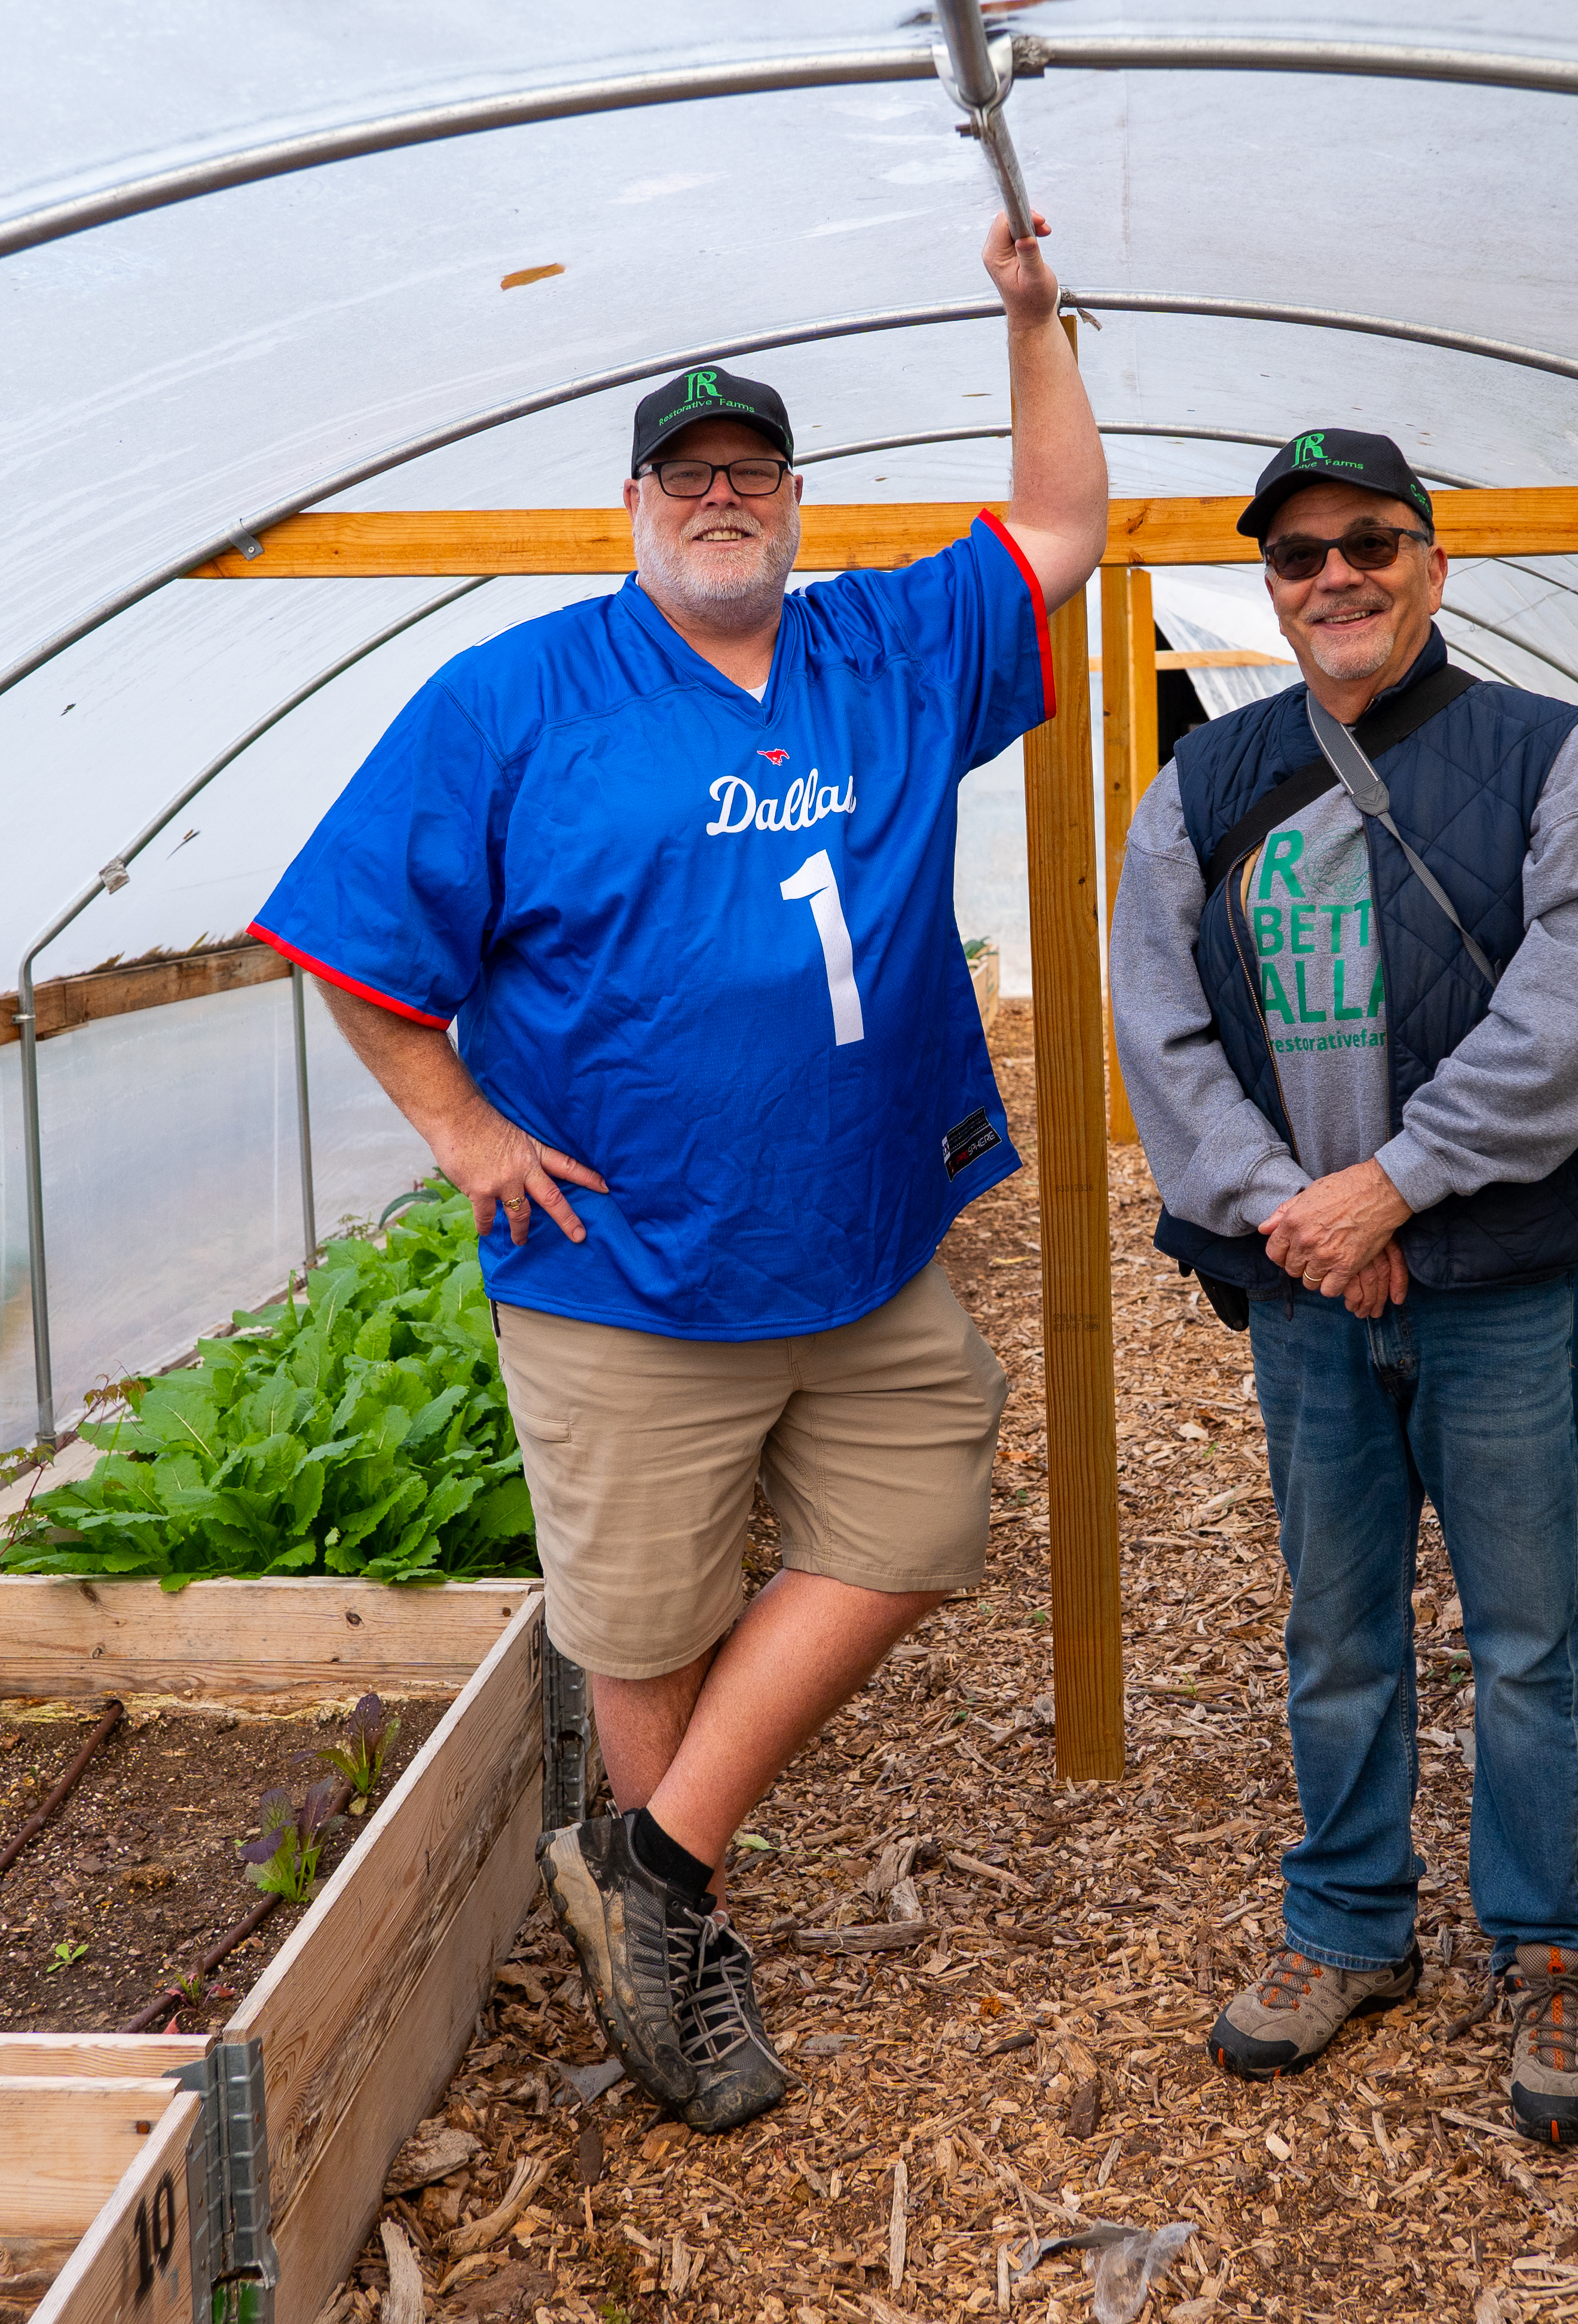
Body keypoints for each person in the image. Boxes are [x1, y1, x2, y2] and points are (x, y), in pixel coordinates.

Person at [248, 214, 1105, 2135]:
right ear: (633, 504)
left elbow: (1063, 528)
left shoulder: (889, 641)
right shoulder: (514, 699)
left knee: (915, 1517)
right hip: (625, 1268)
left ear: (797, 501)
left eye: (756, 476)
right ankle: (678, 1954)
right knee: (642, 1628)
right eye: (688, 478)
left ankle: (652, 1867)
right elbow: (348, 935)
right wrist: (461, 1126)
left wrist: (1033, 322)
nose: (724, 502)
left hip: (862, 1240)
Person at [1106, 427, 1578, 2144]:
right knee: (1337, 1632)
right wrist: (1293, 1214)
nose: (1334, 575)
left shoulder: (1539, 759)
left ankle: (1549, 1947)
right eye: (1298, 555)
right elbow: (1158, 1026)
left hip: (1492, 1280)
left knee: (1525, 1639)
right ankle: (1349, 1923)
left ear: (1433, 561)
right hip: (1306, 1293)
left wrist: (1397, 1183)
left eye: (1370, 543)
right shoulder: (1205, 784)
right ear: (1268, 588)